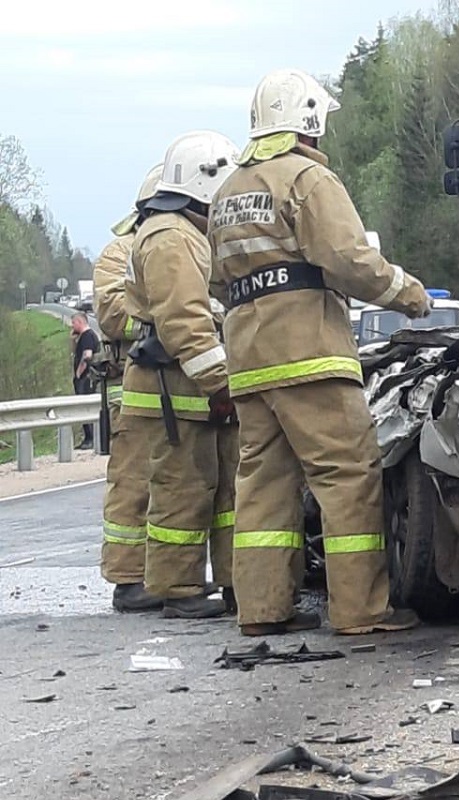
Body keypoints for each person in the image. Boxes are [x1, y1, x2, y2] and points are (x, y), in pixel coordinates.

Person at [208, 68, 432, 637]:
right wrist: (408, 294)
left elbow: (217, 280)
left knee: (262, 484)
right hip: (309, 354)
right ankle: (361, 610)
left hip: (249, 361)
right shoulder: (308, 180)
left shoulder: (229, 191)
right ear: (307, 120)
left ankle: (260, 609)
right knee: (348, 474)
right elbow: (349, 260)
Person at [122, 130, 240, 619]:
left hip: (183, 386)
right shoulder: (172, 237)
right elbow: (186, 324)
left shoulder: (179, 232)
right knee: (182, 488)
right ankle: (179, 589)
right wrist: (223, 385)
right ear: (206, 183)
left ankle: (234, 581)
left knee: (216, 488)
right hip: (178, 387)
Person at [92, 164, 162, 612]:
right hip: (131, 389)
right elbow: (115, 314)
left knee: (182, 485)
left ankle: (174, 574)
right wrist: (167, 314)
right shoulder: (121, 252)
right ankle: (127, 579)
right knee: (134, 483)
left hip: (180, 384)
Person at [70, 313, 100, 449]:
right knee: (84, 408)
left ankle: (90, 439)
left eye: (73, 323)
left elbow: (87, 355)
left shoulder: (87, 336)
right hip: (87, 378)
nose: (72, 326)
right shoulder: (86, 336)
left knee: (84, 408)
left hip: (85, 378)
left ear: (79, 322)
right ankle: (90, 438)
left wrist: (78, 373)